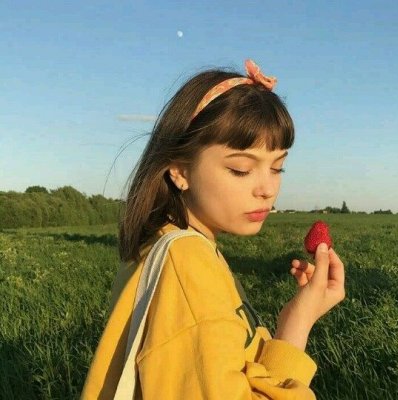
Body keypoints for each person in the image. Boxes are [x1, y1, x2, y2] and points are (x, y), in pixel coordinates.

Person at [81, 59, 345, 399]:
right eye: (241, 169)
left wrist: (296, 318)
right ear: (180, 171)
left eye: (277, 168)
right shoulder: (187, 265)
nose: (268, 189)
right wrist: (299, 325)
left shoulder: (176, 246)